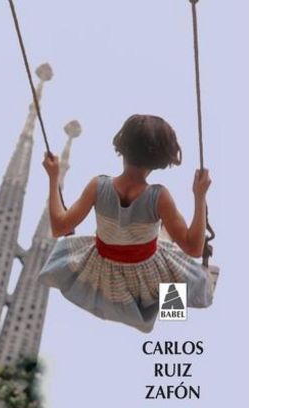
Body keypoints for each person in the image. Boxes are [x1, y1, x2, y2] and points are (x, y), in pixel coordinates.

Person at [38, 114, 214, 333]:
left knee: (161, 245)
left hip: (104, 274)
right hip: (148, 271)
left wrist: (53, 178)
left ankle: (157, 305)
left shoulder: (98, 186)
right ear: (161, 159)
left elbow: (58, 228)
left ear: (122, 146)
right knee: (193, 281)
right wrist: (200, 196)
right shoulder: (159, 197)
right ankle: (166, 315)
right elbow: (194, 249)